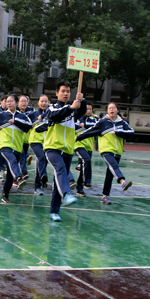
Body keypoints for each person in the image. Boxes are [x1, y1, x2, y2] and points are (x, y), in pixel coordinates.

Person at [38, 82, 85, 221]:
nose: (66, 93)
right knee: (61, 170)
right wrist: (70, 107)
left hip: (68, 149)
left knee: (59, 180)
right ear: (57, 93)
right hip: (53, 147)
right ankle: (67, 193)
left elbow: (82, 111)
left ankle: (54, 212)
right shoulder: (51, 108)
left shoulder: (73, 109)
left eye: (68, 91)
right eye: (63, 91)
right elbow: (54, 116)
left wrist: (82, 100)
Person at [76, 102, 134, 205]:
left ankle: (104, 196)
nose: (111, 110)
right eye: (109, 108)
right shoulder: (102, 122)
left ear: (117, 110)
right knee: (114, 166)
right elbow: (91, 131)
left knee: (110, 174)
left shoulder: (122, 123)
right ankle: (122, 181)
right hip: (106, 150)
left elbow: (131, 132)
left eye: (113, 108)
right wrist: (78, 137)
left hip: (117, 152)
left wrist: (119, 132)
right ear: (107, 110)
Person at [29, 94, 50, 196]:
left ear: (49, 103)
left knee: (42, 163)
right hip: (35, 141)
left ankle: (39, 185)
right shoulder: (32, 114)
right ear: (38, 102)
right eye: (42, 101)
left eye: (46, 101)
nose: (44, 103)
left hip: (48, 142)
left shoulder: (51, 114)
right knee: (41, 157)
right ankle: (43, 178)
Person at [74, 106, 96, 197]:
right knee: (86, 160)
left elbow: (96, 127)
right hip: (78, 145)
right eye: (86, 109)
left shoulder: (94, 120)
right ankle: (87, 181)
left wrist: (85, 126)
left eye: (90, 109)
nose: (88, 111)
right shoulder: (77, 119)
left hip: (89, 147)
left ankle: (79, 189)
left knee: (83, 167)